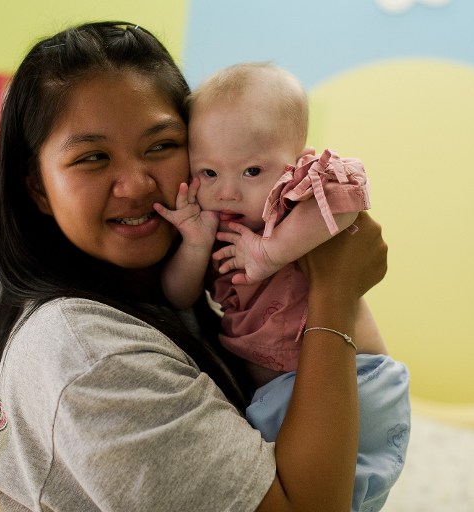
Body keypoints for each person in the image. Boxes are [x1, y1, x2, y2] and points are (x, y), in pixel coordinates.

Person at [0, 21, 391, 512]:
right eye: (94, 157)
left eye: (161, 146)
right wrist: (334, 289)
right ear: (38, 187)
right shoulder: (92, 357)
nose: (137, 185)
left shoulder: (161, 295)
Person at [157, 62, 411, 512]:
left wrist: (270, 252)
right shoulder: (215, 226)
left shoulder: (294, 198)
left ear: (296, 160)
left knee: (344, 490)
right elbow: (178, 297)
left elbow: (348, 202)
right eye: (210, 173)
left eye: (252, 171)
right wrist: (195, 246)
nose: (228, 191)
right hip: (279, 400)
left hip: (356, 380)